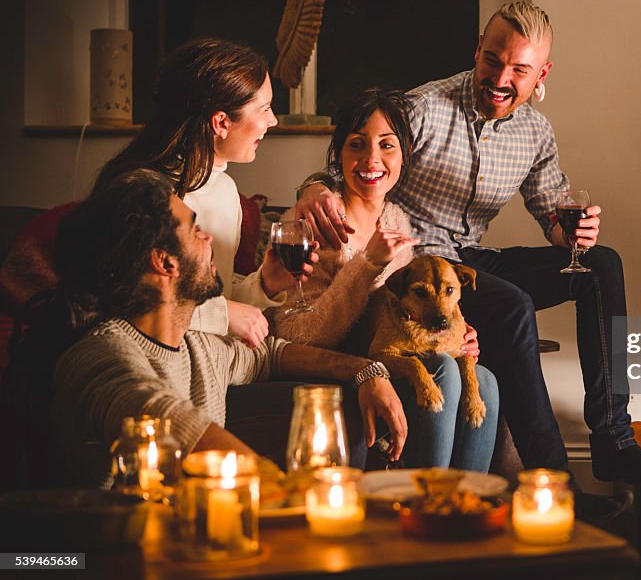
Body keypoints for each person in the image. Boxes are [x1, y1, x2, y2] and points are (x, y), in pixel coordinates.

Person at [295, 2, 641, 490]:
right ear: (477, 51)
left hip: (474, 259)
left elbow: (550, 212)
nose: (501, 77)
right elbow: (356, 158)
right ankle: (554, 479)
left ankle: (614, 441)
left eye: (519, 69)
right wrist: (311, 189)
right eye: (493, 60)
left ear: (541, 73)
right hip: (420, 266)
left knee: (600, 266)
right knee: (511, 303)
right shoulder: (424, 108)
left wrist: (572, 233)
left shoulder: (536, 133)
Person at [36, 169, 406, 487]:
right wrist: (288, 493)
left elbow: (272, 355)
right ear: (164, 262)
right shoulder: (100, 357)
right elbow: (161, 418)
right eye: (195, 229)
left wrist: (366, 372)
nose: (208, 237)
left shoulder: (197, 346)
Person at [271, 88, 499, 472]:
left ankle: (463, 509)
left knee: (486, 380)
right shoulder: (312, 221)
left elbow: (403, 309)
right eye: (357, 145)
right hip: (342, 364)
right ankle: (427, 506)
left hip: (389, 353)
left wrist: (447, 332)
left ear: (404, 156)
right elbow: (297, 334)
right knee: (441, 371)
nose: (371, 159)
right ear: (338, 154)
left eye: (387, 145)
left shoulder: (395, 218)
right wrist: (367, 264)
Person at [92, 38, 307, 349]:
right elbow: (121, 304)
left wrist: (264, 284)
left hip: (212, 362)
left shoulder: (225, 189)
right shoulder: (141, 193)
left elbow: (218, 299)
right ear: (221, 122)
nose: (271, 121)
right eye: (264, 109)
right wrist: (224, 314)